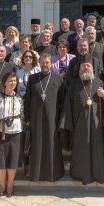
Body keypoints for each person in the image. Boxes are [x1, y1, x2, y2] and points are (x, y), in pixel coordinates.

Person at [60, 62, 104, 184]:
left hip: (96, 124)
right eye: (83, 66)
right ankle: (80, 174)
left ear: (93, 68)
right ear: (79, 69)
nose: (86, 68)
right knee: (81, 148)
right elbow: (67, 104)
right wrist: (68, 123)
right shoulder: (74, 84)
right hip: (79, 124)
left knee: (96, 148)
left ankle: (97, 174)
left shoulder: (99, 83)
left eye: (88, 66)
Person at [24, 53, 66, 181]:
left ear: (51, 64)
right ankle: (36, 174)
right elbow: (27, 100)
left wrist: (60, 121)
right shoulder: (32, 78)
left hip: (52, 119)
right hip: (36, 118)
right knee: (36, 145)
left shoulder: (58, 79)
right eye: (42, 62)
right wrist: (27, 119)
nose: (45, 65)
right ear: (39, 63)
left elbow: (62, 102)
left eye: (47, 62)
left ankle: (53, 173)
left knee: (51, 145)